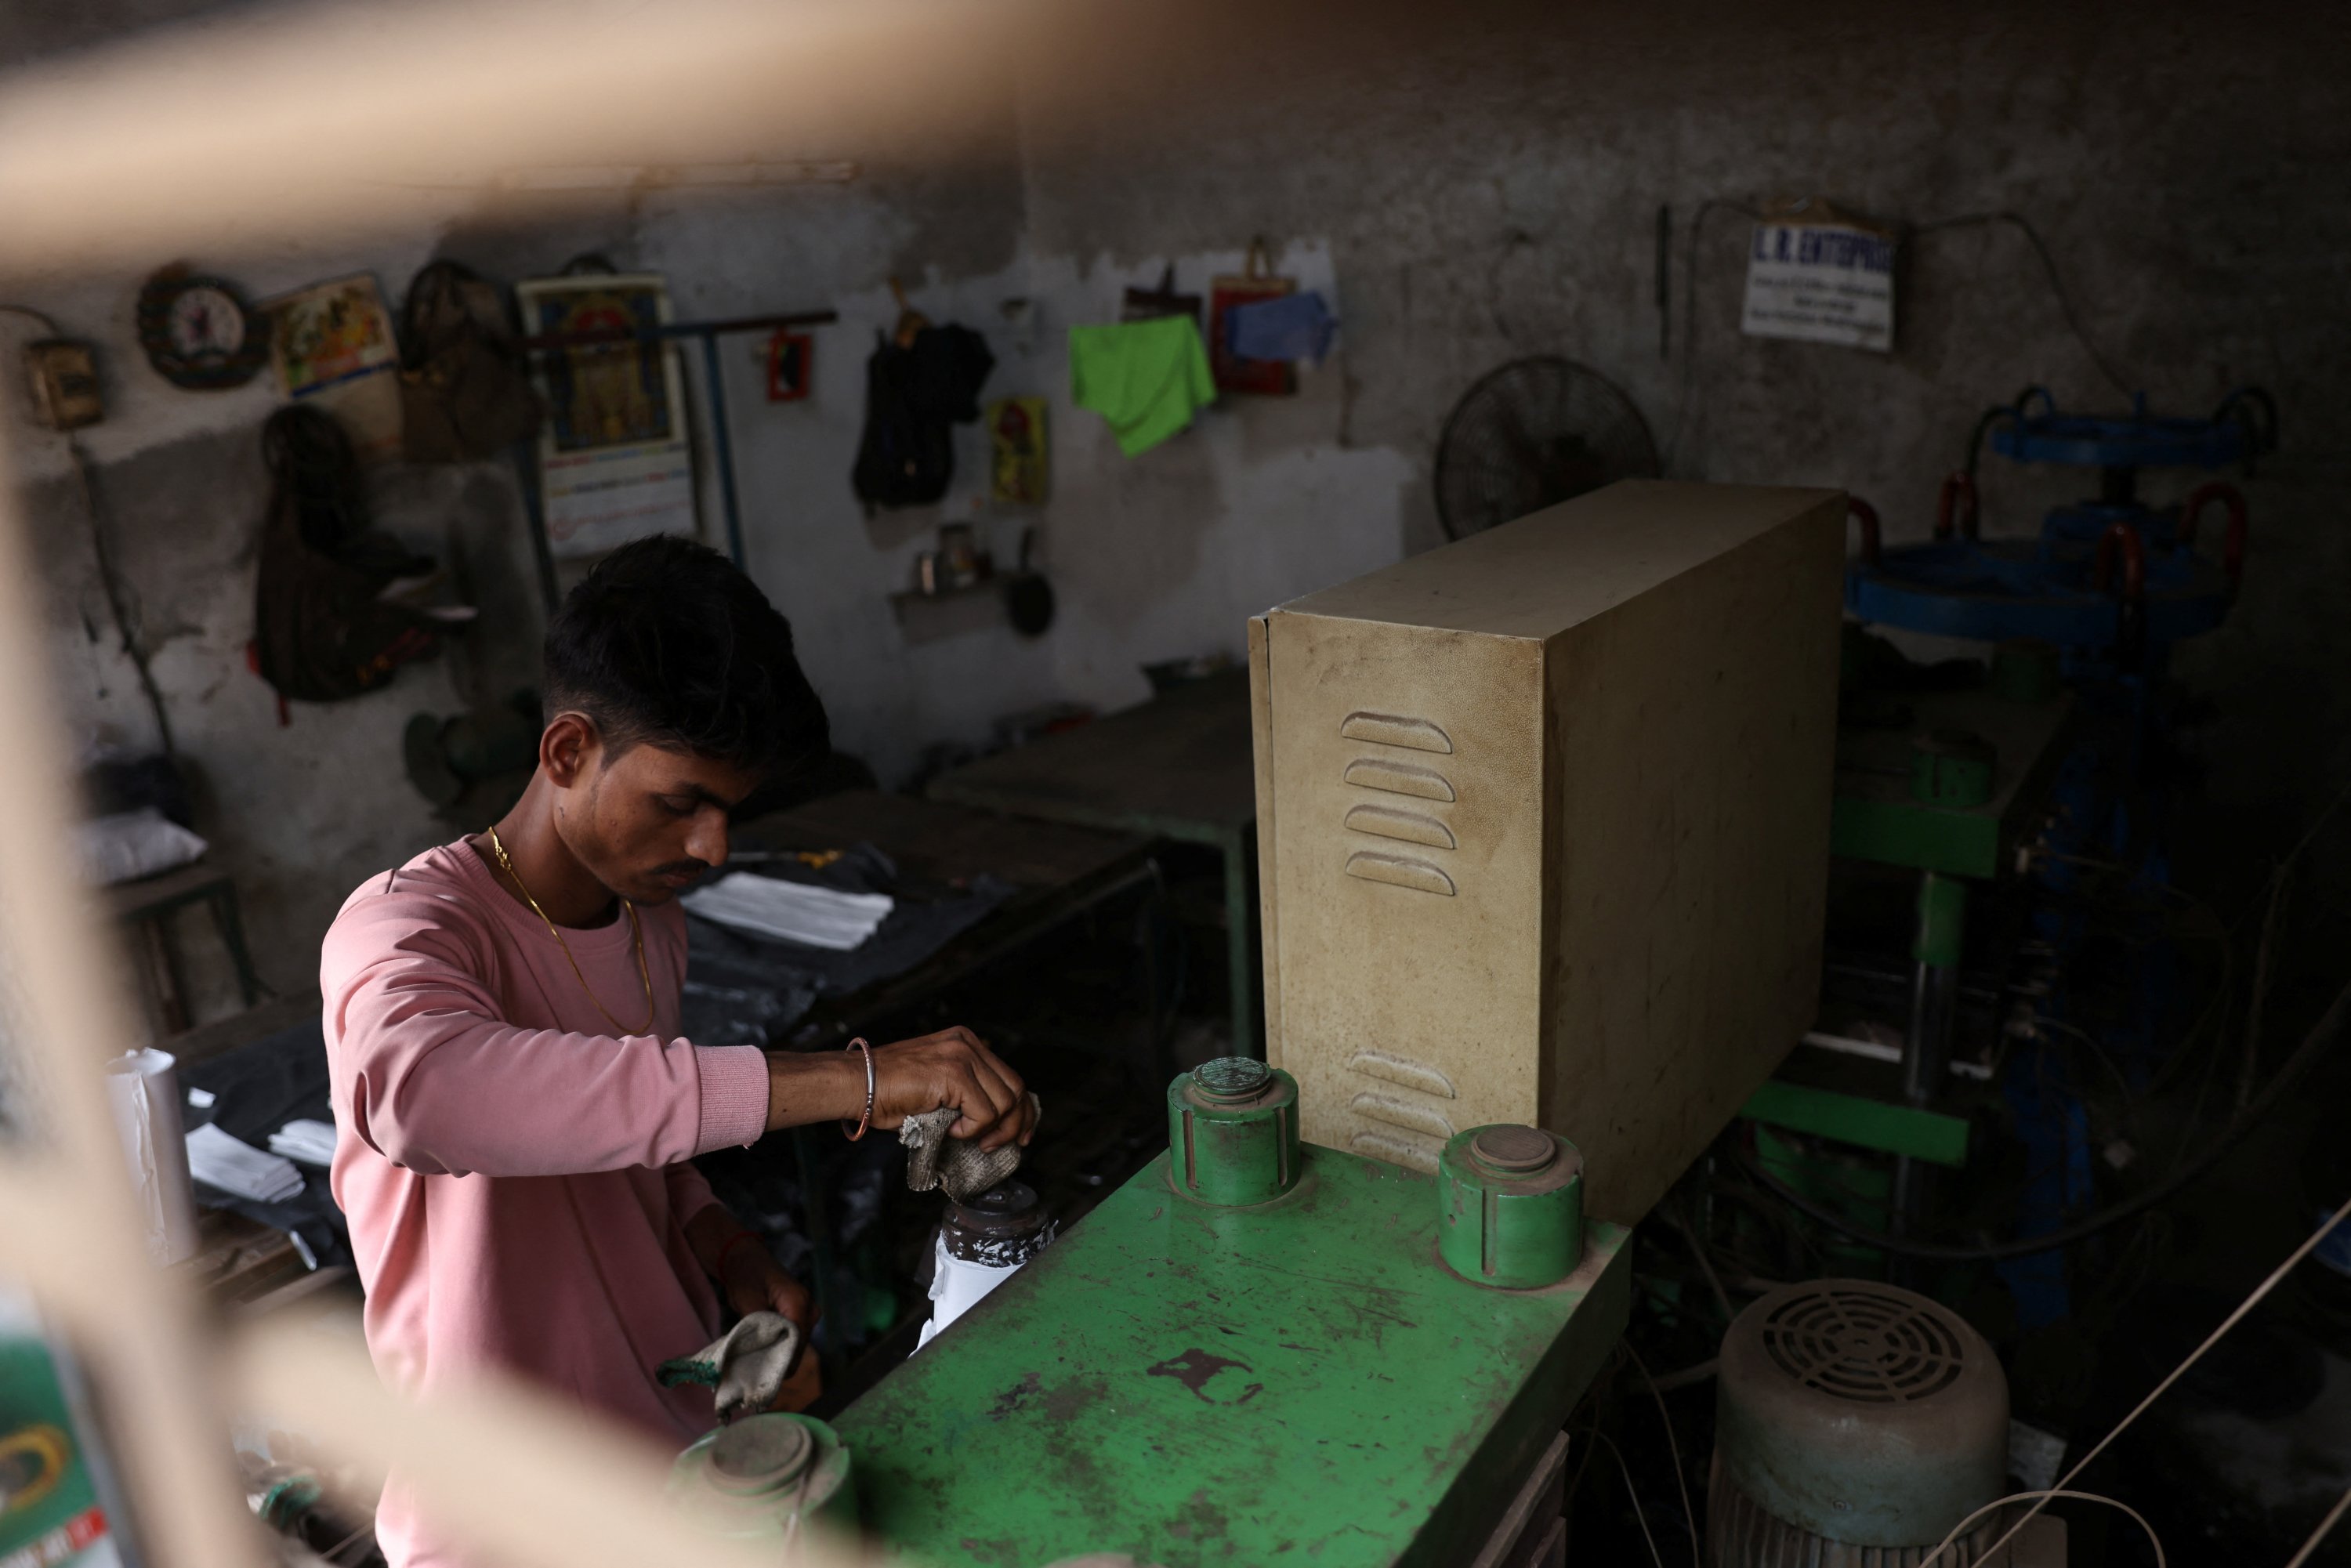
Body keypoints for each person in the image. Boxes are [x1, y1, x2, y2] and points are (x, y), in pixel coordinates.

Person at [321, 536, 1034, 1568]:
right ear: (566, 750)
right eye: (678, 802)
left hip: (675, 1480)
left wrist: (721, 1243)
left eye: (727, 812)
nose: (711, 847)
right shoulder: (407, 930)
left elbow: (619, 1134)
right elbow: (421, 1095)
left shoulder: (651, 923)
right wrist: (859, 1079)